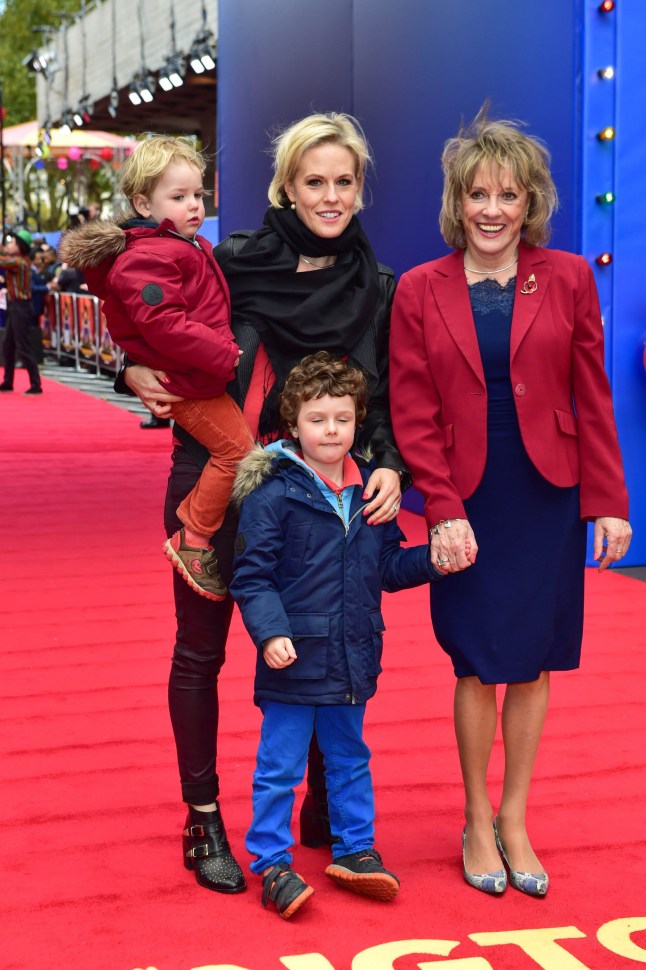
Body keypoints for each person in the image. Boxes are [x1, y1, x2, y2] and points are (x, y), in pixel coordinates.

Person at [118, 113, 409, 894]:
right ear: (285, 185)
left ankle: (321, 806)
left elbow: (381, 401)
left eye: (344, 181)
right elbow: (150, 316)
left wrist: (388, 464)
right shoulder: (232, 263)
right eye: (314, 180)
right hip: (215, 486)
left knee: (317, 643)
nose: (330, 195)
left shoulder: (375, 286)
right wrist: (128, 369)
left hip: (321, 499)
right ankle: (204, 816)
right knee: (202, 651)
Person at [389, 110, 632, 897]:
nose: (492, 211)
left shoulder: (566, 277)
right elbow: (411, 408)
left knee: (531, 664)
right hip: (467, 497)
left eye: (509, 196)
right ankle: (474, 815)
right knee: (476, 661)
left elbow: (591, 396)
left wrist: (610, 501)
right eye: (478, 196)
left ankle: (516, 818)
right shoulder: (420, 289)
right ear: (457, 202)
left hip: (547, 495)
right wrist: (442, 505)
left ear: (531, 204)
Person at [230, 352, 444, 917]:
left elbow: (389, 567)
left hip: (353, 655)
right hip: (293, 659)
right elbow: (251, 577)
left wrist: (435, 560)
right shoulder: (272, 493)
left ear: (357, 421)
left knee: (350, 758)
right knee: (279, 766)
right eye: (318, 419)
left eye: (343, 419)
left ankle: (356, 851)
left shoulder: (371, 492)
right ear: (293, 423)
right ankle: (271, 861)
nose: (331, 430)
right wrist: (269, 634)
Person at [60, 136, 254, 603]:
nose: (194, 206)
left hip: (194, 379)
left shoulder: (179, 245)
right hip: (190, 383)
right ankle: (194, 534)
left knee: (239, 451)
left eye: (199, 195)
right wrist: (223, 353)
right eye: (179, 197)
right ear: (143, 202)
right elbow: (164, 324)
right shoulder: (150, 254)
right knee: (237, 453)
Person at [0, 230, 43, 395]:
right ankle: (8, 381)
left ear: (20, 247)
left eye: (12, 243)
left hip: (20, 307)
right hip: (16, 306)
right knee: (8, 345)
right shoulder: (20, 260)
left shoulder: (18, 262)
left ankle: (36, 384)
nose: (9, 245)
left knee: (23, 346)